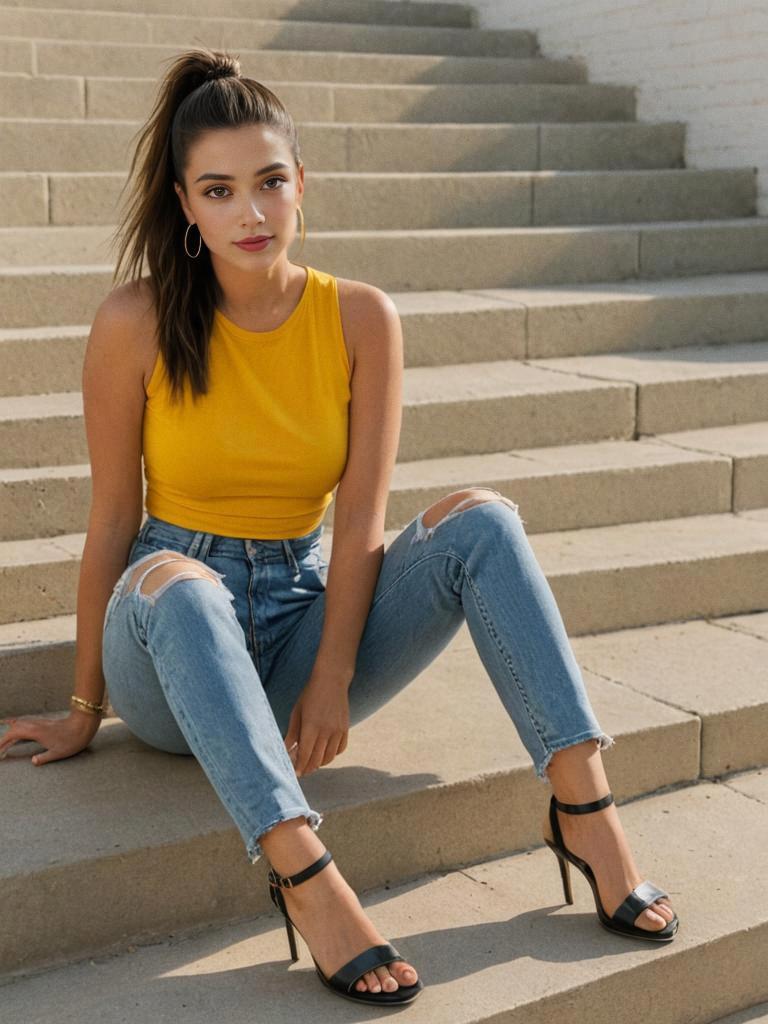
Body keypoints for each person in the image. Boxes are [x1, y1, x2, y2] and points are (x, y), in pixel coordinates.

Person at [0, 46, 678, 1007]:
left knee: (482, 521)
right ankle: (307, 880)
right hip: (166, 637)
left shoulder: (361, 318)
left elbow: (361, 520)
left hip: (299, 618)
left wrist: (330, 675)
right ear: (186, 205)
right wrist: (82, 711)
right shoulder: (136, 321)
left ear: (301, 184)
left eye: (271, 182)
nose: (251, 212)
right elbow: (112, 516)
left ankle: (587, 810)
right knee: (182, 585)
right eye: (221, 190)